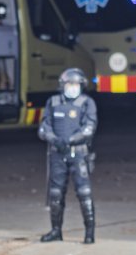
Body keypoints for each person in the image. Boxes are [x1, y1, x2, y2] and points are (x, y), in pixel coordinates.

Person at [38, 68, 97, 243]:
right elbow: (43, 127)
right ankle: (56, 230)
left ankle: (89, 233)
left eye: (76, 84)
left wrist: (71, 140)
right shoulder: (53, 102)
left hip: (78, 155)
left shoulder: (87, 102)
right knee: (55, 194)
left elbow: (89, 128)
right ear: (62, 85)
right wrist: (53, 139)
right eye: (69, 84)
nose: (72, 87)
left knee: (84, 192)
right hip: (57, 155)